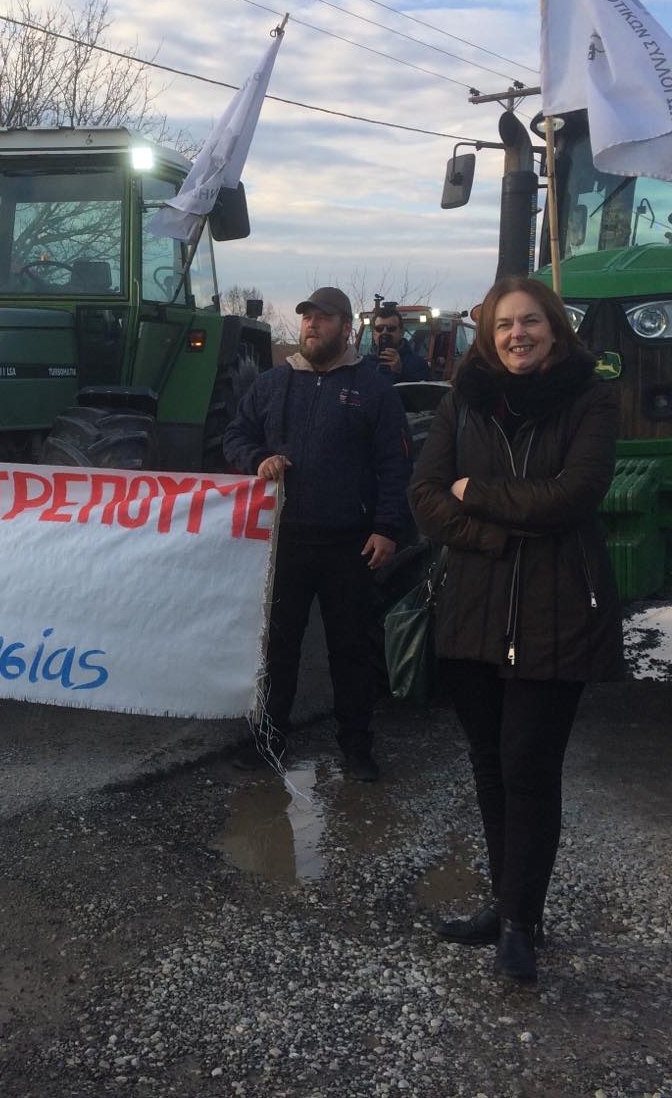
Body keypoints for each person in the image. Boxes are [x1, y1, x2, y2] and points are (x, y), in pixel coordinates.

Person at [408, 277, 623, 984]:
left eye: (530, 321)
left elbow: (575, 495)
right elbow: (426, 497)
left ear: (554, 328)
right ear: (488, 335)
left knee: (528, 767)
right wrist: (496, 534)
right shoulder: (463, 399)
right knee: (489, 765)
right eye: (503, 325)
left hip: (555, 610)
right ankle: (505, 907)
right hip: (473, 604)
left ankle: (521, 926)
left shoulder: (590, 398)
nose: (516, 335)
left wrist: (478, 493)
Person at [223, 286, 412, 781]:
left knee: (351, 651)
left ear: (346, 327)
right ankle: (269, 740)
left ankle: (357, 747)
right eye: (307, 317)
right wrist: (256, 459)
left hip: (352, 544)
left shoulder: (373, 388)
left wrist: (388, 527)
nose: (312, 324)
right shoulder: (272, 384)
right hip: (284, 542)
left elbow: (395, 464)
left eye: (324, 318)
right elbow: (236, 436)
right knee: (278, 648)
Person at [367, 303, 430, 382]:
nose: (384, 332)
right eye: (379, 328)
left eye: (391, 328)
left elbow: (422, 389)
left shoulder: (418, 364)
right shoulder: (363, 364)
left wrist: (400, 372)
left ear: (401, 332)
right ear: (374, 334)